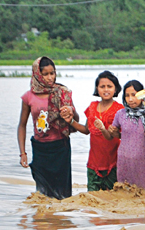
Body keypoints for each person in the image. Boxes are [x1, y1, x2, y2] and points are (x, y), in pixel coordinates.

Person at [16, 56, 79, 200]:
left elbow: (76, 120)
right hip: (40, 149)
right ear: (37, 74)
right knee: (42, 193)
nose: (50, 78)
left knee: (63, 195)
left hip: (60, 148)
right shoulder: (28, 97)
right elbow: (22, 125)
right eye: (45, 74)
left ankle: (59, 220)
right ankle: (43, 222)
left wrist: (70, 111)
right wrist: (22, 153)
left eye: (52, 73)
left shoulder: (62, 93)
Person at [78, 71, 124, 191]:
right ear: (97, 89)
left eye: (109, 86)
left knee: (112, 196)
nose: (106, 90)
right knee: (92, 196)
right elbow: (86, 130)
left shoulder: (120, 110)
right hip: (94, 162)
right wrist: (70, 121)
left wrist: (106, 130)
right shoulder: (92, 107)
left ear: (116, 89)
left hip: (113, 162)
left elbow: (122, 135)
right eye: (102, 86)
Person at [109, 80, 145, 189]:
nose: (130, 99)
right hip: (124, 158)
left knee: (143, 189)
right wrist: (112, 130)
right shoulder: (121, 114)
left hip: (143, 158)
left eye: (134, 95)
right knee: (124, 189)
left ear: (142, 95)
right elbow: (117, 134)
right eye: (127, 96)